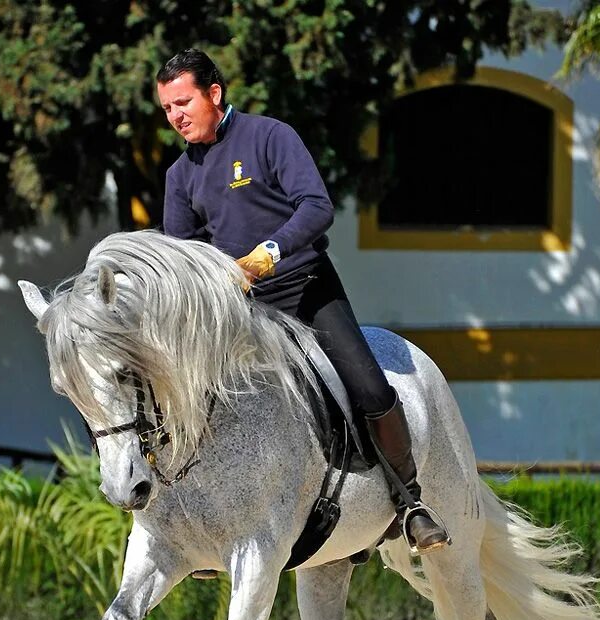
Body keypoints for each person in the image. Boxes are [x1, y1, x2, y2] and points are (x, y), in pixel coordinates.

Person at [156, 49, 450, 554]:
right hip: (242, 315)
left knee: (373, 390)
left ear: (214, 94)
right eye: (167, 109)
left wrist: (267, 255)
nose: (176, 116)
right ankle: (200, 526)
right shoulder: (179, 176)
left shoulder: (270, 136)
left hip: (307, 290)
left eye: (183, 102)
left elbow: (316, 206)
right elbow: (182, 256)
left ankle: (410, 504)